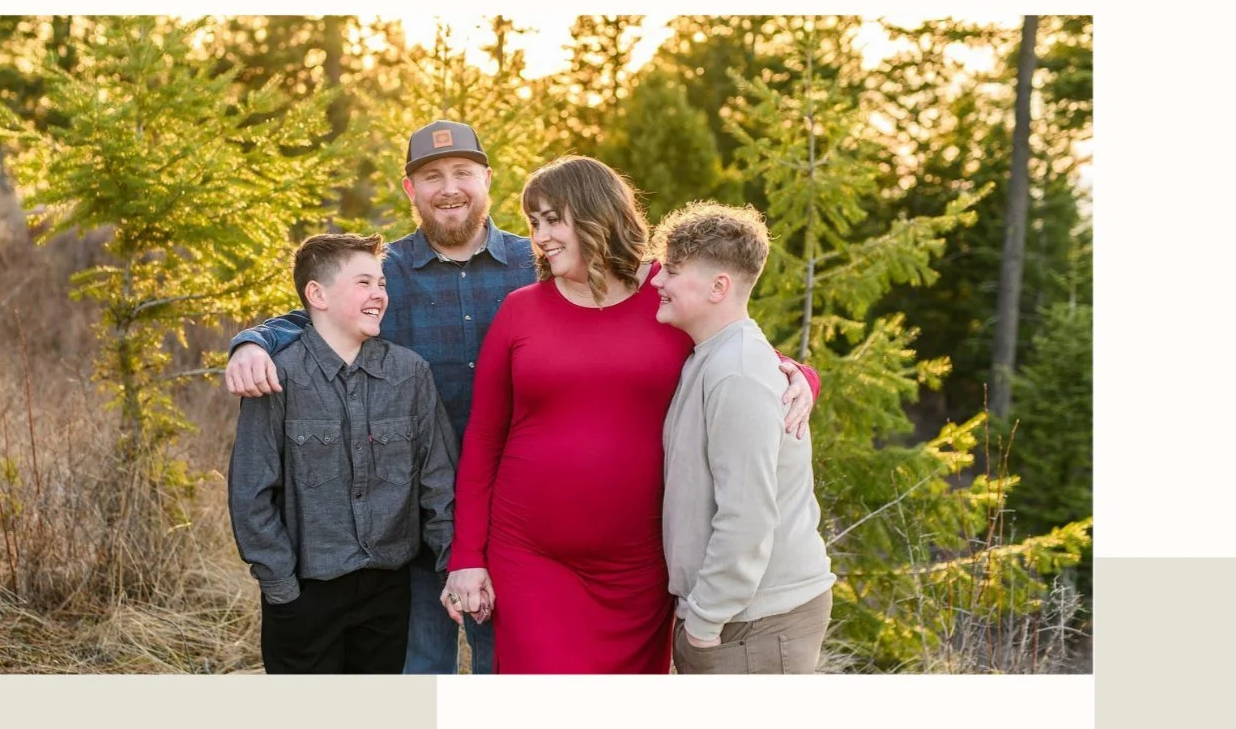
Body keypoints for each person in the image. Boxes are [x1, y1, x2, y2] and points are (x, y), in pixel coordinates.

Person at [441, 158, 821, 674]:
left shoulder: (669, 292)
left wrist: (802, 377)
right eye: (534, 223)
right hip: (530, 558)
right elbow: (484, 437)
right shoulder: (519, 310)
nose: (540, 237)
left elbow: (740, 348)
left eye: (553, 220)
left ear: (595, 214)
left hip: (640, 570)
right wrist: (467, 555)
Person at [224, 121, 537, 674]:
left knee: (507, 669)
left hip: (514, 512)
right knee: (417, 672)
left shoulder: (534, 263)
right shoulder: (385, 271)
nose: (449, 188)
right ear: (410, 189)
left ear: (487, 179)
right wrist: (252, 342)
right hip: (408, 523)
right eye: (432, 176)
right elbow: (317, 315)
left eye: (463, 172)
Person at [227, 233, 458, 675]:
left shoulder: (410, 374)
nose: (379, 294)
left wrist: (451, 569)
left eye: (382, 284)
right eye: (363, 283)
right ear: (318, 295)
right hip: (304, 594)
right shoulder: (278, 377)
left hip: (388, 592)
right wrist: (282, 589)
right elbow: (251, 493)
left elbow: (438, 482)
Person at [653, 203, 834, 675]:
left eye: (672, 271)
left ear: (719, 287)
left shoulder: (736, 372)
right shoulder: (712, 356)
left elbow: (747, 514)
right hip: (735, 616)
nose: (658, 281)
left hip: (755, 622)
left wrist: (704, 622)